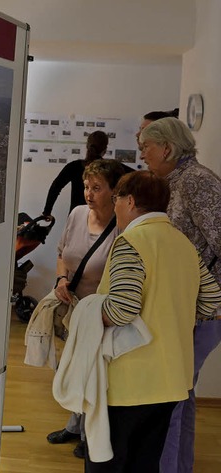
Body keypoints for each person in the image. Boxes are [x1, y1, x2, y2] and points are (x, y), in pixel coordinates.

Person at [85, 171, 221, 472]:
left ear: (129, 201)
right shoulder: (184, 244)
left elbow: (122, 309)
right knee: (145, 463)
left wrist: (88, 313)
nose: (115, 206)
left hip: (130, 380)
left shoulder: (130, 242)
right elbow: (212, 300)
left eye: (117, 199)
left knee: (108, 463)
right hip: (173, 379)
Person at [137, 117, 221, 473]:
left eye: (146, 147)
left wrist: (208, 302)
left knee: (169, 397)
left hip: (197, 311)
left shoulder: (197, 181)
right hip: (182, 308)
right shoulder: (174, 182)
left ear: (168, 148)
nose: (142, 155)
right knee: (179, 397)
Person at [45, 159, 128, 459]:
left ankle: (87, 434)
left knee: (94, 375)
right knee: (70, 368)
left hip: (101, 314)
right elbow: (61, 253)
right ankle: (73, 424)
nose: (88, 194)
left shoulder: (122, 226)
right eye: (85, 187)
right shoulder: (78, 214)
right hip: (72, 309)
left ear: (115, 192)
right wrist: (61, 279)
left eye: (96, 188)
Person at [42, 130, 109, 218]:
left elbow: (55, 187)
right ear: (105, 150)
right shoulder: (110, 168)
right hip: (101, 219)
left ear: (87, 146)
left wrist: (47, 211)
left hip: (76, 218)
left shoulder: (74, 166)